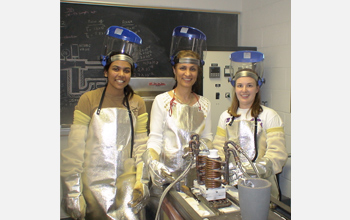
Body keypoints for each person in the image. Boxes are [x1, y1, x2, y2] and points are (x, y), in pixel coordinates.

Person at [60, 26, 149, 220]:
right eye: (115, 69)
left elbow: (141, 146)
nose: (121, 74)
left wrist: (141, 181)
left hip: (127, 186)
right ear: (106, 72)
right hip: (94, 188)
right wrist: (73, 191)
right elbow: (75, 148)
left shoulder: (138, 103)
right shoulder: (88, 100)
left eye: (126, 70)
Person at [143, 26, 213, 218]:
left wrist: (205, 153)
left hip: (196, 181)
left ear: (197, 72)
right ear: (174, 70)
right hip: (166, 181)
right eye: (182, 68)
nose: (187, 73)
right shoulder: (162, 101)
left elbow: (208, 138)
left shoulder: (204, 104)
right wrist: (154, 163)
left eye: (192, 68)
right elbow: (155, 139)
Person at [212, 50, 288, 201]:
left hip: (263, 188)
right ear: (234, 87)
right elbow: (219, 148)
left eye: (249, 85)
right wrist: (229, 170)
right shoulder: (226, 117)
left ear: (257, 88)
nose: (244, 90)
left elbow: (277, 154)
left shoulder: (269, 116)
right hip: (231, 187)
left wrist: (254, 170)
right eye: (240, 85)